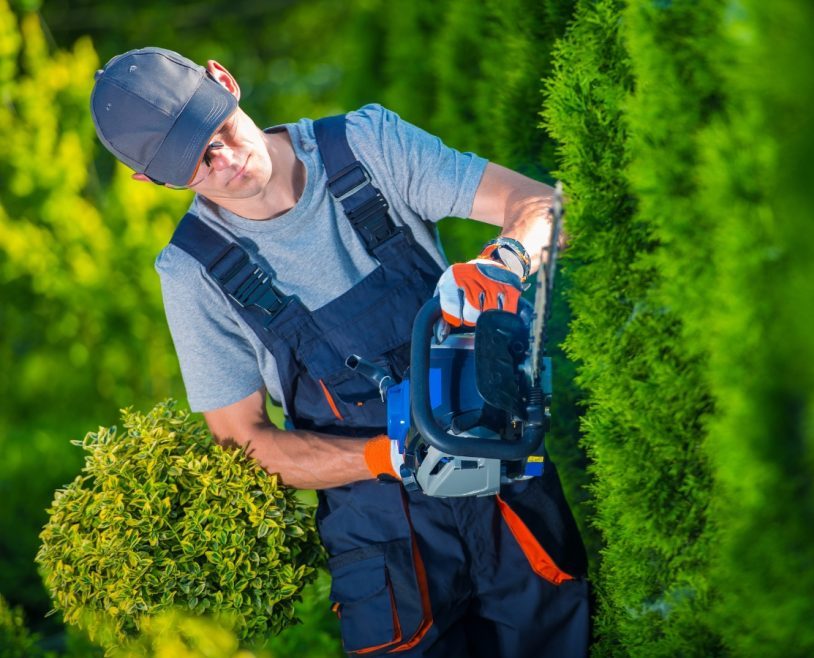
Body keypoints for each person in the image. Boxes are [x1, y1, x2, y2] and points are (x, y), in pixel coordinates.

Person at [89, 47, 588, 657]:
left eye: (217, 131)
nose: (226, 161)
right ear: (153, 181)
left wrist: (505, 262)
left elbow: (545, 206)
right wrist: (387, 456)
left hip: (501, 477)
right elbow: (245, 445)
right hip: (382, 538)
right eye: (197, 164)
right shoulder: (194, 272)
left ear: (225, 80)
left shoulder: (365, 147)